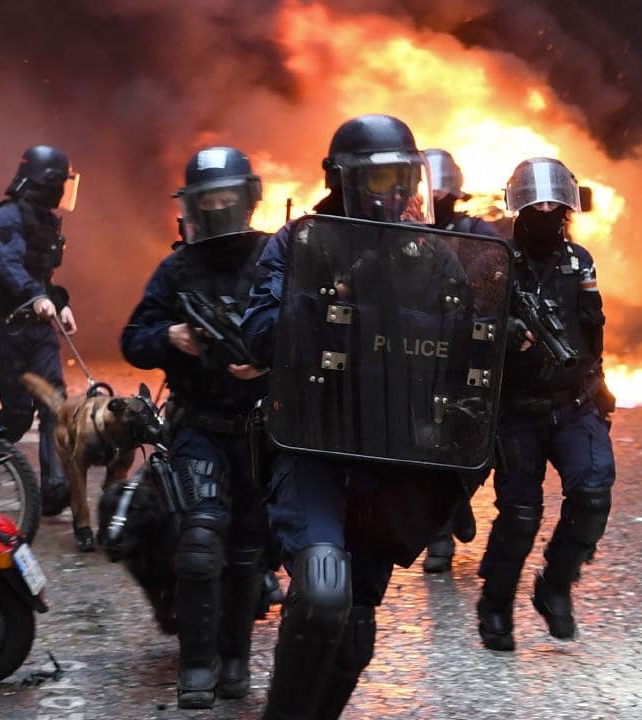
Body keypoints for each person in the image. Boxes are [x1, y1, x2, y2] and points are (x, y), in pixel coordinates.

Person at [241, 115, 475, 719]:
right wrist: (331, 299)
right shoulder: (300, 243)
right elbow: (259, 334)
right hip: (313, 444)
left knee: (355, 626)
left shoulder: (435, 259)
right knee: (322, 590)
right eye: (378, 180)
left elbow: (463, 354)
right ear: (341, 181)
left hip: (391, 456)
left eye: (403, 179)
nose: (393, 194)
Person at [120, 146, 270, 709]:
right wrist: (171, 337)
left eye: (227, 197)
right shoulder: (177, 269)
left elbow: (311, 328)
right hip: (199, 423)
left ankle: (236, 660)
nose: (218, 208)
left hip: (260, 428)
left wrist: (268, 362)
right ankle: (197, 665)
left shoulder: (276, 257)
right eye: (208, 200)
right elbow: (133, 340)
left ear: (247, 198)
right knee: (201, 543)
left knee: (249, 549)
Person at [474, 157, 616, 652]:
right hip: (517, 410)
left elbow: (592, 330)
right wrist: (501, 330)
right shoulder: (495, 260)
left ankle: (555, 585)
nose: (548, 212)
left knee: (593, 495)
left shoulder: (579, 261)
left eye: (556, 205)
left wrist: (599, 389)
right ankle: (495, 605)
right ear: (519, 207)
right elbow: (463, 326)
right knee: (519, 516)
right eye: (537, 205)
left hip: (575, 403)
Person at [0, 145, 80, 517]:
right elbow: (9, 265)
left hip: (37, 329)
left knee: (54, 403)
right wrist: (35, 296)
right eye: (62, 183)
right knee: (17, 414)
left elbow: (39, 275)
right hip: (4, 330)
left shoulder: (44, 220)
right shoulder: (7, 217)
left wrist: (58, 302)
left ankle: (55, 487)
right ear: (47, 183)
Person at [421, 147, 503, 574]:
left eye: (443, 195)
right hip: (418, 352)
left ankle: (455, 501)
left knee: (480, 445)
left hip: (467, 352)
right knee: (425, 445)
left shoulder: (477, 233)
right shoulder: (404, 232)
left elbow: (497, 280)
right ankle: (438, 534)